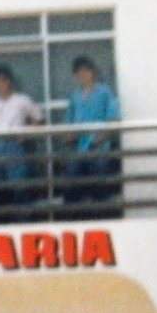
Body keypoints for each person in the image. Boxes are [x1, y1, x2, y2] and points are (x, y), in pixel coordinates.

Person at [0, 66, 43, 220]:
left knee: (19, 187)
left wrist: (25, 133)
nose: (1, 84)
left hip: (15, 146)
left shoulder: (22, 100)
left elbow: (39, 120)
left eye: (3, 80)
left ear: (9, 81)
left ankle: (24, 223)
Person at [64, 56, 122, 215]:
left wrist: (98, 140)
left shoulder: (105, 92)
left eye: (86, 70)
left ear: (93, 72)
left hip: (99, 146)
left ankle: (101, 217)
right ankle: (74, 218)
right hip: (79, 148)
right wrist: (69, 138)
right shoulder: (75, 96)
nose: (82, 74)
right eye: (79, 72)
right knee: (72, 182)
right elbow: (69, 122)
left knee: (98, 185)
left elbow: (113, 119)